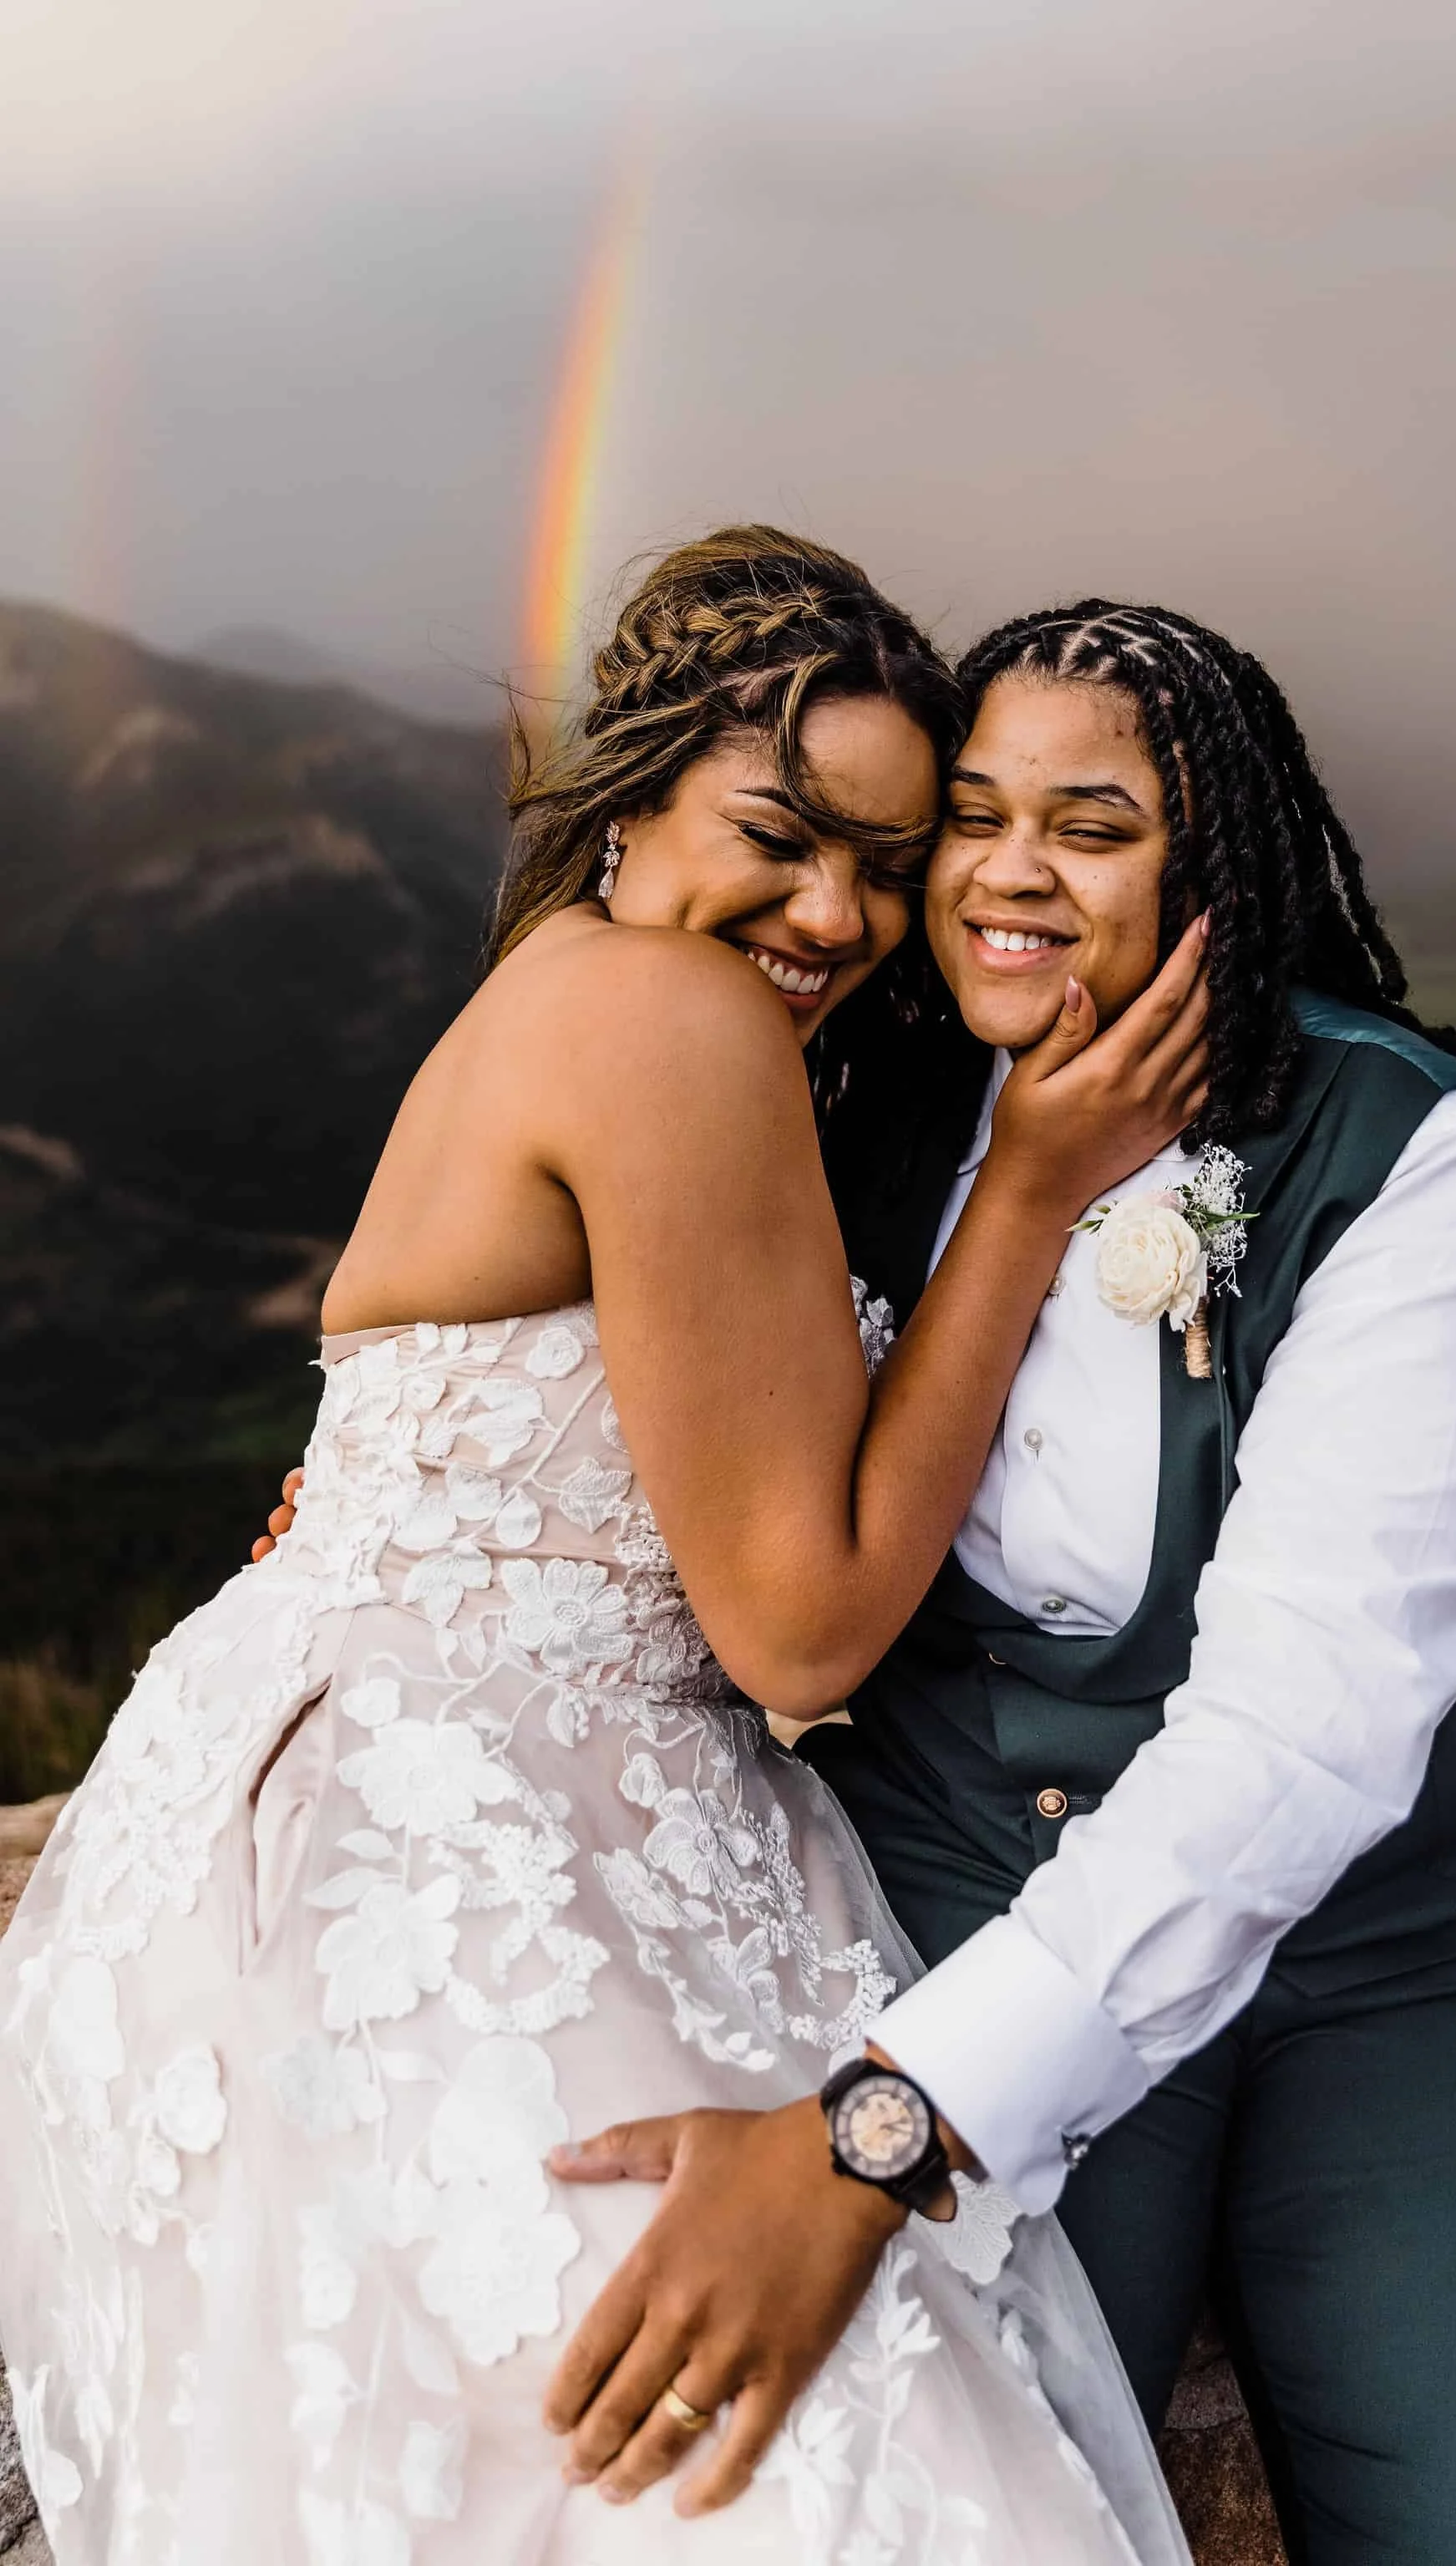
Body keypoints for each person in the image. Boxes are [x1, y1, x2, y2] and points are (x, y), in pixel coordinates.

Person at [0, 531, 1205, 2566]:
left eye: (883, 863)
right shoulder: (664, 1011)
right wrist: (1026, 1193)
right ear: (632, 792)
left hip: (358, 1790)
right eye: (779, 835)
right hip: (429, 1850)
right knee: (796, 2463)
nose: (834, 913)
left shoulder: (576, 982)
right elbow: (801, 1633)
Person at [538, 602, 1456, 2563]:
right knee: (872, 2497)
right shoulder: (860, 1091)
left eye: (1089, 827)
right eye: (973, 819)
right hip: (963, 1869)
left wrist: (880, 2126)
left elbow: (1305, 1734)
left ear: (1213, 859)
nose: (1007, 871)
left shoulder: (1409, 1159)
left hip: (1405, 1941)